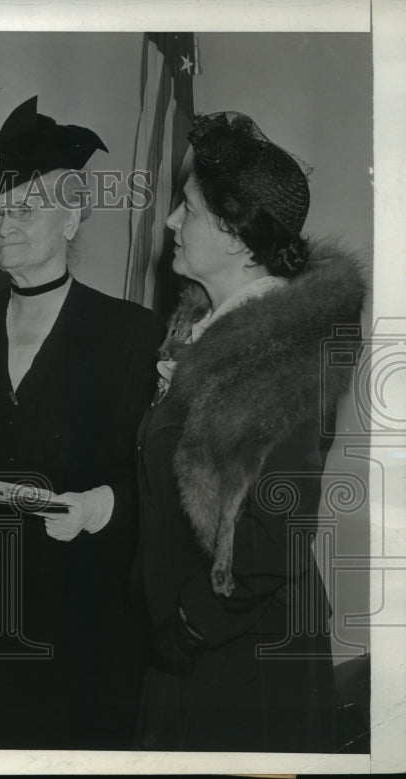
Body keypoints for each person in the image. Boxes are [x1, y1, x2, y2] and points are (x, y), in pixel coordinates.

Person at [0, 97, 163, 749]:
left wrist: (101, 505)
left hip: (84, 610)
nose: (4, 227)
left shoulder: (133, 334)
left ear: (75, 214)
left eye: (25, 208)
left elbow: (156, 475)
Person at [133, 111, 367, 751]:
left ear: (237, 235)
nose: (172, 223)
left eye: (188, 209)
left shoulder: (275, 350)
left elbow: (277, 532)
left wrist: (190, 623)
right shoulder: (211, 329)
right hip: (206, 644)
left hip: (242, 657)